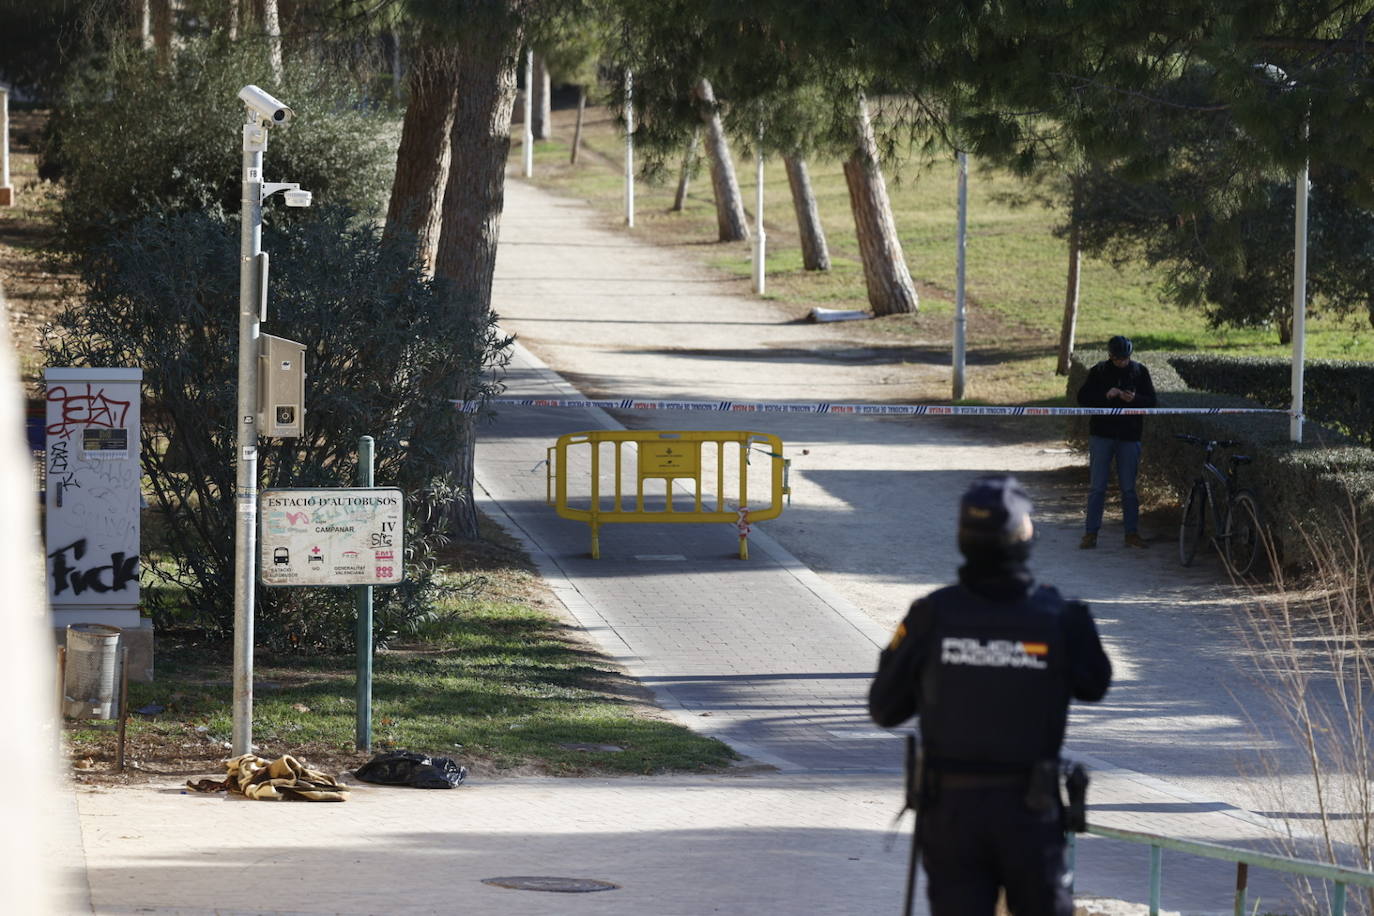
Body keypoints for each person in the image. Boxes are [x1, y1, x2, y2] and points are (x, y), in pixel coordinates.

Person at [869, 475, 1112, 916]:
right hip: (1030, 812)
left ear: (963, 537)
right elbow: (1095, 685)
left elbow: (884, 709)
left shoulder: (930, 615)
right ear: (1026, 535)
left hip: (952, 814)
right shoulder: (1063, 617)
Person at [1075, 335, 1156, 549]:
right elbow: (1082, 398)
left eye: (1125, 358)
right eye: (1118, 359)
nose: (1122, 362)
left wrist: (1135, 400)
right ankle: (1091, 534)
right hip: (1102, 435)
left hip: (1129, 437)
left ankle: (1132, 534)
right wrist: (1105, 396)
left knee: (1129, 489)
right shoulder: (1099, 371)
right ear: (1110, 356)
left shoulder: (1140, 371)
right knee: (1097, 488)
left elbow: (1152, 402)